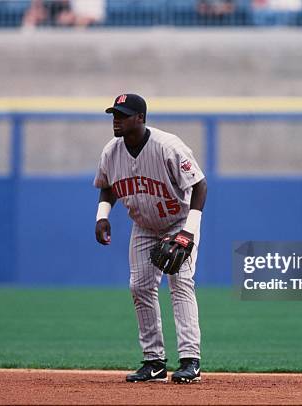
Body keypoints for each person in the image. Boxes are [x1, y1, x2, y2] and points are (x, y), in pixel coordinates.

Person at [93, 94, 207, 384]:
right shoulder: (111, 151)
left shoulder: (168, 147)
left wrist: (188, 231)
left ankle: (190, 361)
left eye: (123, 114)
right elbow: (108, 185)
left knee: (180, 283)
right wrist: (102, 215)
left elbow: (199, 185)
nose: (116, 119)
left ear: (140, 118)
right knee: (140, 286)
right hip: (143, 226)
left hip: (178, 222)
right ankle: (154, 362)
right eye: (114, 114)